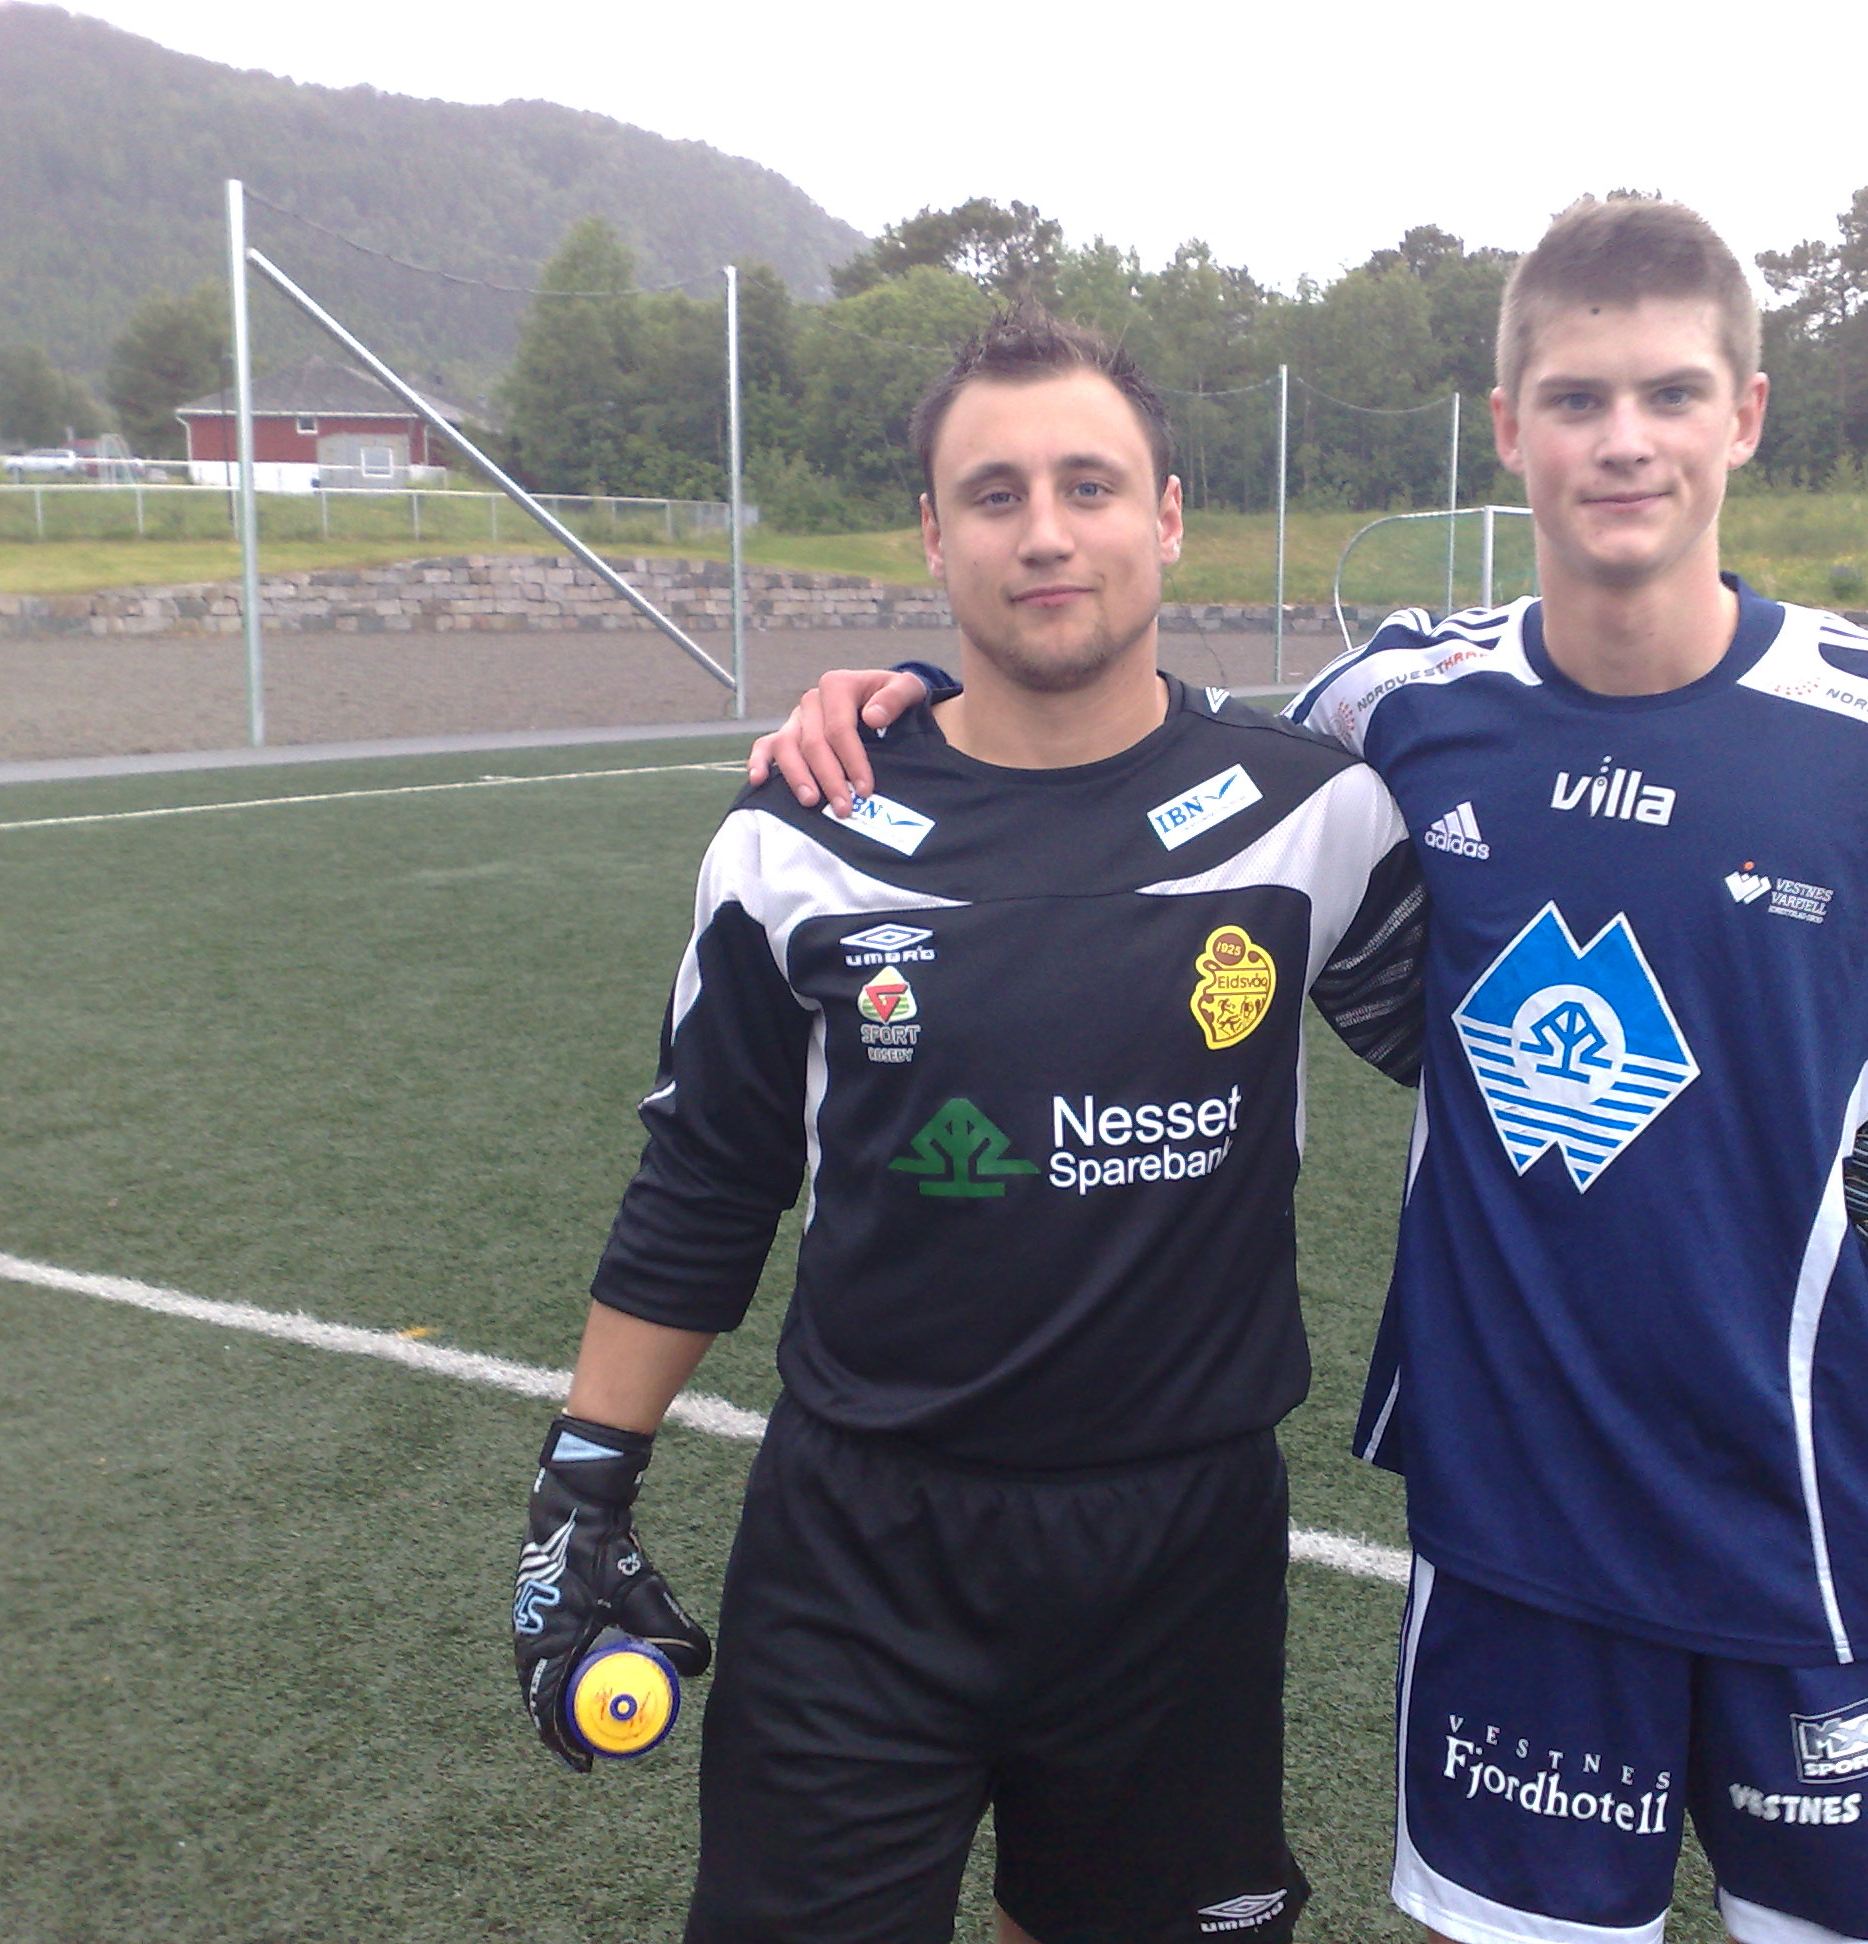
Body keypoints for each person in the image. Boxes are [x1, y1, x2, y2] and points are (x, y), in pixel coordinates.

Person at [754, 196, 1868, 1944]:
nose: (1621, 438)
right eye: (1573, 397)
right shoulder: (1400, 705)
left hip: (1808, 1521)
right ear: (1507, 430)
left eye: (1667, 393)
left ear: (1745, 414)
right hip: (1514, 1540)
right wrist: (918, 696)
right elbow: (1153, 752)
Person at [513, 310, 1436, 1944]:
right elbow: (707, 1176)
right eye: (993, 493)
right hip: (861, 1541)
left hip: (1179, 1543)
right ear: (934, 536)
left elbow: (1503, 1054)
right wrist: (585, 1478)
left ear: (1164, 511)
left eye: (1088, 484)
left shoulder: (1317, 812)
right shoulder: (798, 831)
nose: (1046, 529)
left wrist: (1850, 1061)